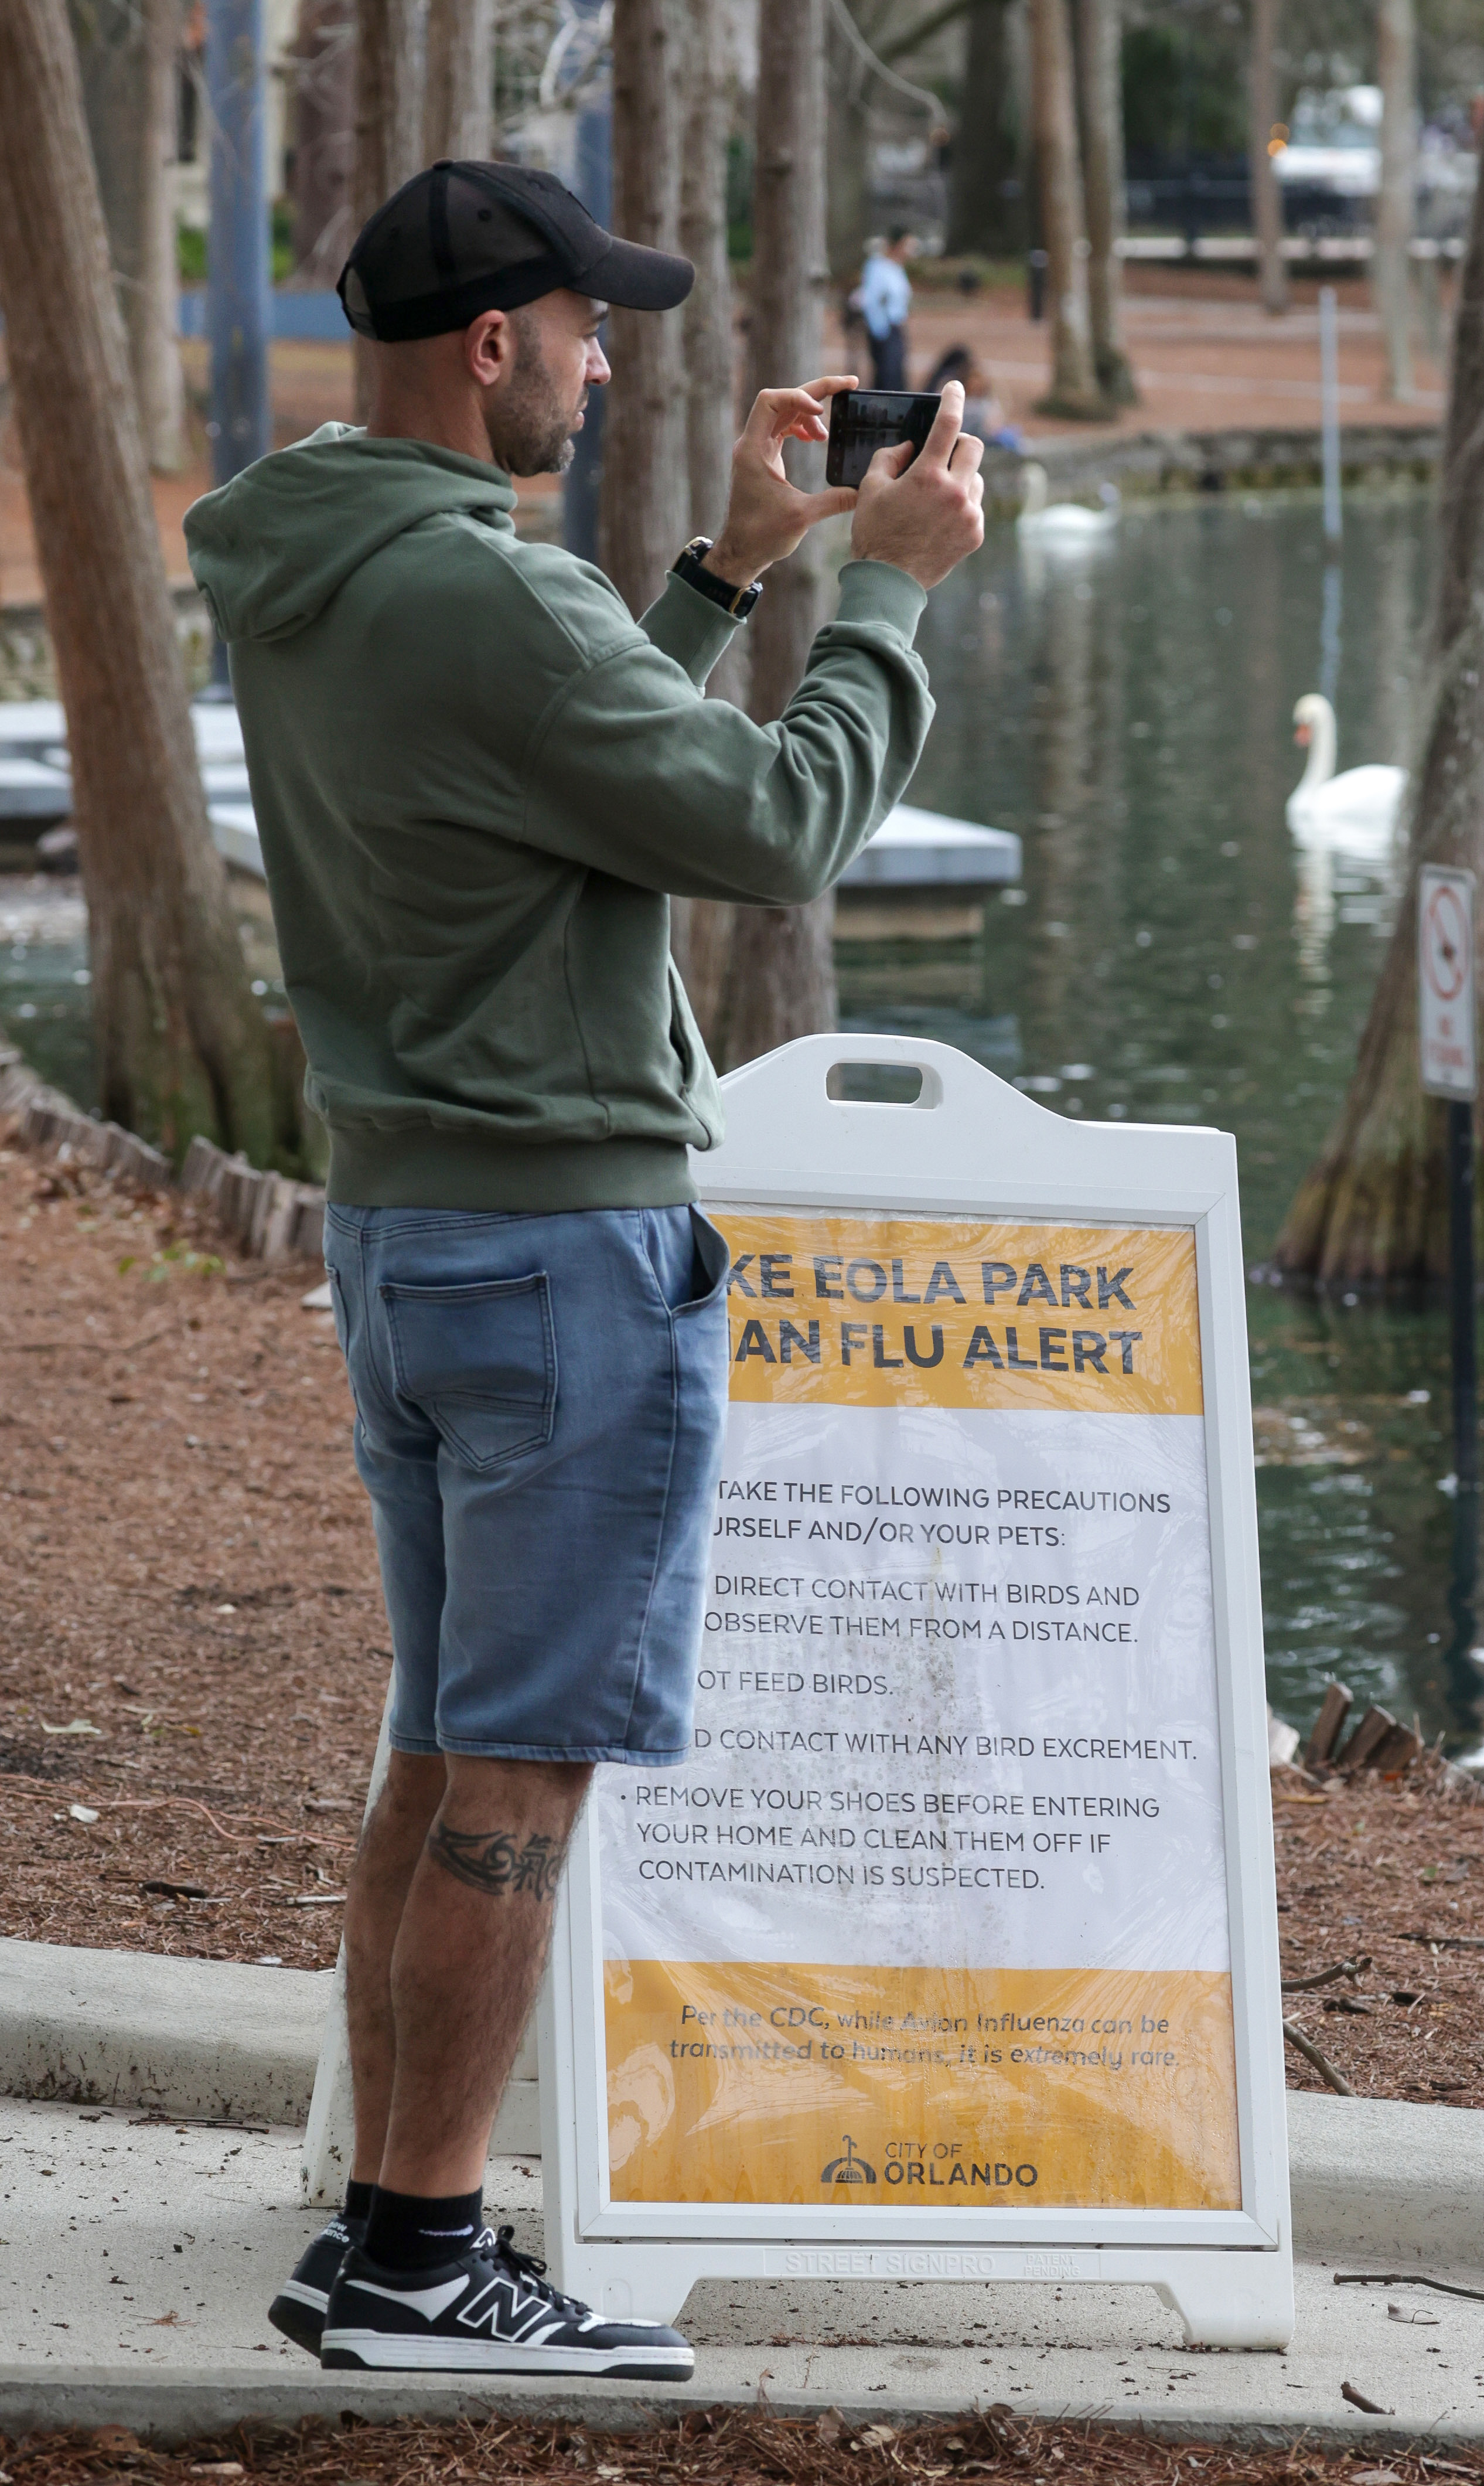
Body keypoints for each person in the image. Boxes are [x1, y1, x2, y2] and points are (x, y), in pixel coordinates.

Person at [183, 158, 982, 2381]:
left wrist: (729, 567)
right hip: (558, 1245)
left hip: (418, 1227)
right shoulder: (479, 591)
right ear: (492, 346)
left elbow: (549, 777)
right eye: (590, 326)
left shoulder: (325, 553)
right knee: (520, 1777)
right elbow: (759, 829)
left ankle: (378, 2232)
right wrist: (890, 595)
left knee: (447, 1753)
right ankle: (432, 2258)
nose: (612, 357)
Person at [859, 224, 915, 389]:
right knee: (887, 376)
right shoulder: (877, 267)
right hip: (884, 329)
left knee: (897, 375)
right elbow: (871, 300)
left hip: (896, 326)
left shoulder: (897, 268)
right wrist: (880, 330)